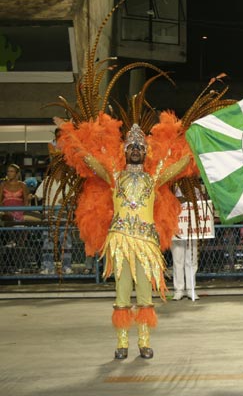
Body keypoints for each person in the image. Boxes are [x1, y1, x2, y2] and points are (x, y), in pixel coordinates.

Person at [64, 123, 191, 359]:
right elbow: (91, 162)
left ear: (145, 153)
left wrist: (195, 143)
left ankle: (144, 343)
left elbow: (179, 166)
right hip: (120, 243)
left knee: (145, 295)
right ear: (125, 152)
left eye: (139, 147)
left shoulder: (153, 179)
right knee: (121, 295)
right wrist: (73, 138)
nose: (135, 150)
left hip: (146, 244)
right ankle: (122, 344)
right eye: (131, 147)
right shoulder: (115, 177)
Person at [36, 175, 72, 275]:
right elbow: (38, 195)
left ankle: (66, 266)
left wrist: (67, 200)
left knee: (65, 241)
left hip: (63, 213)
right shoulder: (47, 180)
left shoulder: (68, 179)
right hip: (50, 214)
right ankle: (48, 267)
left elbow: (74, 196)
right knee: (48, 241)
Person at [171, 185, 200, 301]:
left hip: (191, 229)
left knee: (191, 260)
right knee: (178, 259)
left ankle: (191, 289)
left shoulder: (195, 189)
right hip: (177, 229)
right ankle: (179, 290)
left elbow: (201, 206)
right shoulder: (171, 187)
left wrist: (190, 200)